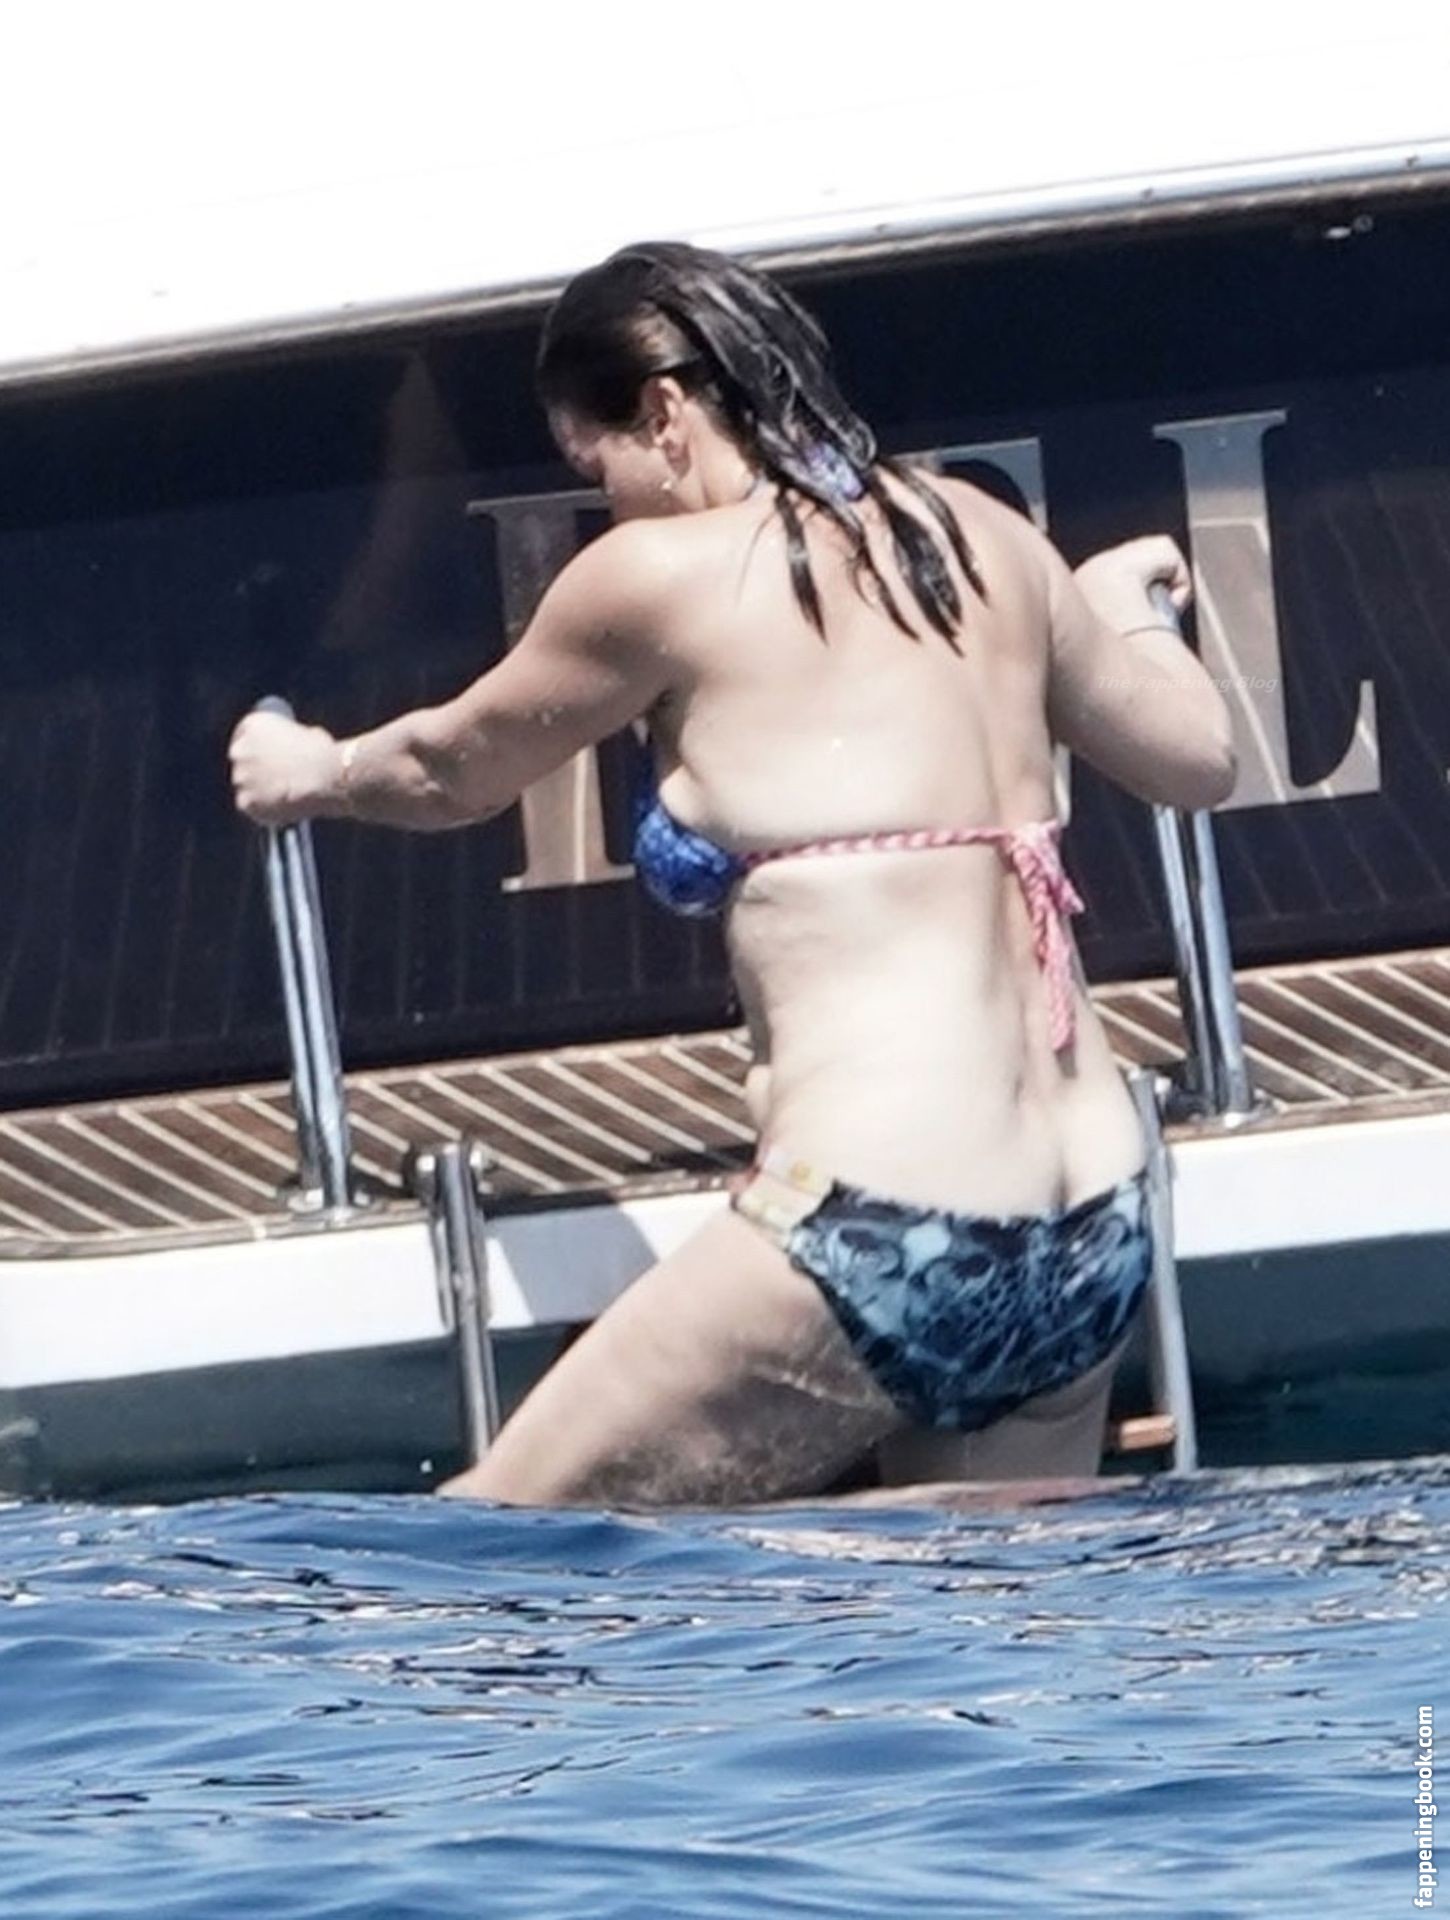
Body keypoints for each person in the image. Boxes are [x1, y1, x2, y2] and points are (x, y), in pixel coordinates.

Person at [230, 241, 1235, 1507]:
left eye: (593, 468)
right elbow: (1197, 758)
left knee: (484, 1556)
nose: (605, 506)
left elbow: (451, 769)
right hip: (1094, 1224)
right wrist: (1123, 608)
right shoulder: (985, 535)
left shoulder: (663, 575)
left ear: (663, 413)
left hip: (883, 1219)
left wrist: (313, 769)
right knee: (986, 1625)